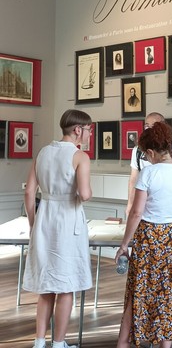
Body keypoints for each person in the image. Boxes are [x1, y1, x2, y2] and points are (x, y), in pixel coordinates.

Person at [114, 121, 172, 348]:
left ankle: (123, 342)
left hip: (151, 235)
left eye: (145, 155)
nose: (146, 159)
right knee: (167, 291)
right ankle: (164, 345)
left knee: (138, 290)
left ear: (149, 152)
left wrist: (124, 244)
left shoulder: (148, 173)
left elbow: (137, 212)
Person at [23, 109, 93, 348]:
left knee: (46, 287)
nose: (89, 135)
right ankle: (59, 343)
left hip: (45, 218)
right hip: (67, 221)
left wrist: (33, 223)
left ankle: (40, 342)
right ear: (77, 130)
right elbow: (84, 194)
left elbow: (29, 192)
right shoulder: (79, 157)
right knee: (66, 287)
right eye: (88, 130)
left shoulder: (43, 152)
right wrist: (87, 192)